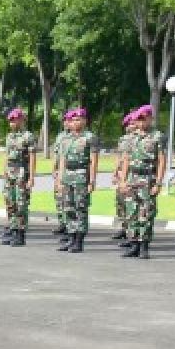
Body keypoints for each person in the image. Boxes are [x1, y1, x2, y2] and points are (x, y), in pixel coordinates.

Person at [118, 105, 165, 259]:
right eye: (138, 119)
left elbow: (161, 161)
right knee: (131, 213)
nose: (141, 122)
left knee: (146, 213)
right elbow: (125, 160)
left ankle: (144, 245)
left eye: (145, 119)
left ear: (151, 118)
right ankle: (134, 244)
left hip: (148, 179)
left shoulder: (157, 136)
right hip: (132, 178)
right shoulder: (131, 138)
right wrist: (123, 181)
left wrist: (158, 183)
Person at [55, 108, 98, 253]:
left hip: (81, 175)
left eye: (79, 119)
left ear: (85, 121)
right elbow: (62, 160)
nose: (75, 122)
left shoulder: (89, 137)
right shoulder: (66, 139)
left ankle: (79, 240)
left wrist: (92, 181)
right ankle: (71, 237)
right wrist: (60, 180)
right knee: (69, 208)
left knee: (81, 208)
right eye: (73, 120)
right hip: (67, 175)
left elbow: (93, 160)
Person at [1, 107, 36, 246]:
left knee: (21, 204)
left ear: (22, 120)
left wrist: (31, 177)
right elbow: (7, 155)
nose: (13, 123)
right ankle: (13, 229)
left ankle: (20, 234)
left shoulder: (28, 136)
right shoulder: (9, 136)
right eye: (11, 121)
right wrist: (4, 171)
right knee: (10, 203)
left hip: (22, 170)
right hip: (10, 171)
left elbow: (32, 157)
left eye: (15, 120)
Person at [112, 112, 137, 243]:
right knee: (120, 202)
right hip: (122, 173)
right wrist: (116, 172)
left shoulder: (137, 140)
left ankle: (131, 231)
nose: (130, 126)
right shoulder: (123, 139)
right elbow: (119, 157)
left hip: (134, 175)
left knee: (131, 205)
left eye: (132, 123)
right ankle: (124, 226)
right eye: (128, 124)